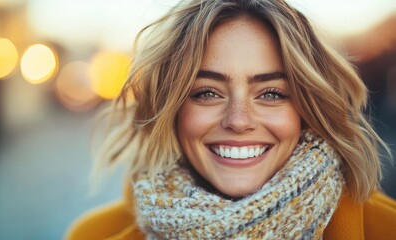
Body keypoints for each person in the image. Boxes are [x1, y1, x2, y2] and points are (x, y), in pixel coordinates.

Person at [67, 0, 396, 239]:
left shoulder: (385, 228)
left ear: (307, 111)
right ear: (172, 108)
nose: (239, 120)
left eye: (270, 94)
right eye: (207, 93)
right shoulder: (94, 234)